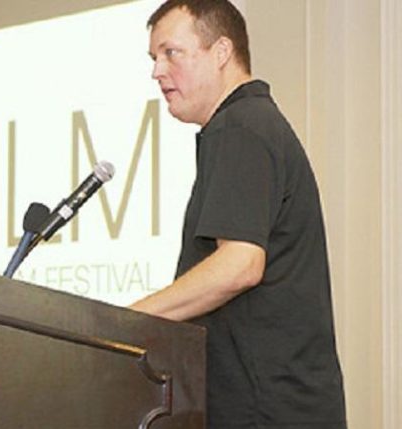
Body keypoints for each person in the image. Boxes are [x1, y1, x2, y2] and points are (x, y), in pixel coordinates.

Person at [127, 1, 347, 428]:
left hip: (264, 412)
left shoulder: (240, 126)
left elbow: (240, 265)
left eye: (171, 53)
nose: (157, 71)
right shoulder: (248, 124)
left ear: (222, 52)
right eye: (154, 57)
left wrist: (128, 322)